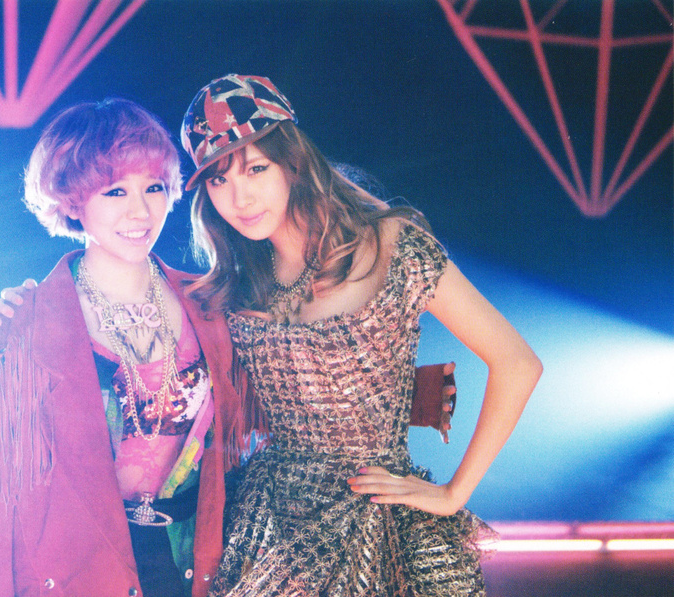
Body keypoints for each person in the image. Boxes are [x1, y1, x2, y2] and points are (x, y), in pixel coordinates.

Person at [0, 97, 456, 597]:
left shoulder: (209, 303)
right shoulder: (29, 326)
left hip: (192, 561)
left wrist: (411, 395)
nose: (140, 211)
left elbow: (279, 388)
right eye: (114, 191)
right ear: (72, 200)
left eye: (153, 187)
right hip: (80, 571)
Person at [179, 74, 542, 596]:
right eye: (218, 181)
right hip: (274, 529)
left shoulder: (391, 244)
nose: (240, 197)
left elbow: (518, 362)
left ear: (293, 162)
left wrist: (453, 494)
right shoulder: (233, 285)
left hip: (382, 520)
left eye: (256, 168)